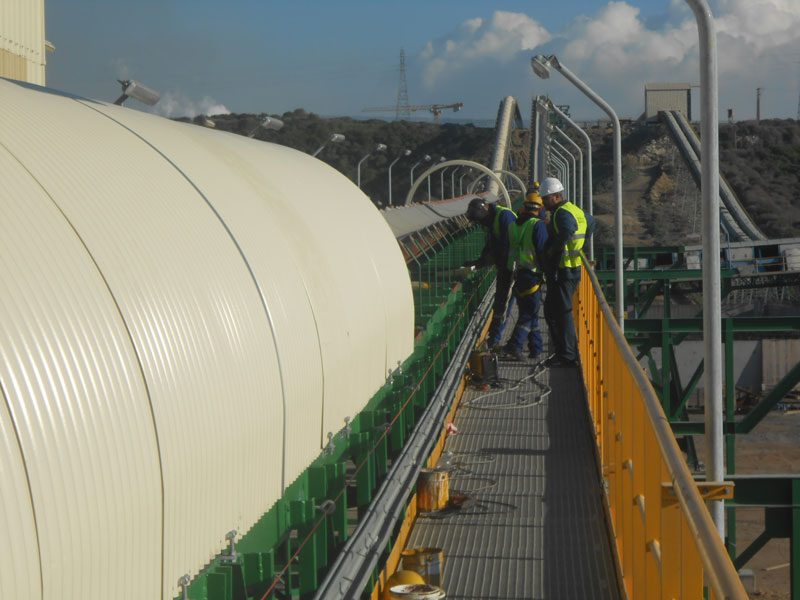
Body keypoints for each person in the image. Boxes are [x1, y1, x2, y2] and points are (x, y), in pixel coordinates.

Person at [539, 177, 595, 367]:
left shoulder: (562, 213)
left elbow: (568, 230)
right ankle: (563, 350)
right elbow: (591, 223)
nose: (544, 203)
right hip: (572, 266)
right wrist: (580, 244)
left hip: (565, 268)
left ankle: (568, 355)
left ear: (556, 196)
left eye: (546, 198)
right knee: (553, 310)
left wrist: (554, 249)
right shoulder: (575, 209)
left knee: (563, 312)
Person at [501, 190, 549, 361]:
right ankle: (515, 346)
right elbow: (542, 251)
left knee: (531, 313)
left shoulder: (513, 225)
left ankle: (536, 349)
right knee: (528, 315)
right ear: (540, 209)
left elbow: (509, 249)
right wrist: (548, 272)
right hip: (532, 275)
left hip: (517, 273)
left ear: (523, 208)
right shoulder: (537, 225)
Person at [465, 197, 517, 350]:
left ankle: (495, 340)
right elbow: (491, 243)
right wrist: (480, 261)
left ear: (485, 210)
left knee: (504, 304)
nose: (481, 225)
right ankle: (495, 338)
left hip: (512, 268)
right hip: (504, 266)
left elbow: (508, 245)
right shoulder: (490, 219)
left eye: (480, 221)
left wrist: (505, 265)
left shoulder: (504, 217)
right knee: (501, 303)